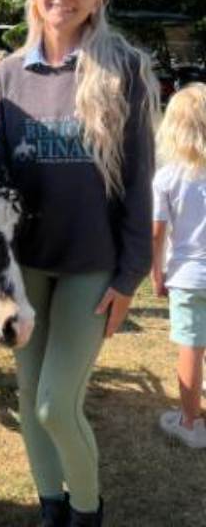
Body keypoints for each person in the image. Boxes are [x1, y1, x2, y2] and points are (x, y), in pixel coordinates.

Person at [0, 0, 159, 527]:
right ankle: (51, 509)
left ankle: (89, 513)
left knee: (58, 405)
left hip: (91, 266)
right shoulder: (7, 75)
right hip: (24, 267)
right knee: (29, 395)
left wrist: (128, 276)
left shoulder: (124, 71)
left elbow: (140, 183)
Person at [152, 83, 206, 449]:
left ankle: (190, 423)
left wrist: (157, 273)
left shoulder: (167, 177)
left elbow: (157, 234)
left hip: (187, 276)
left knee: (191, 347)